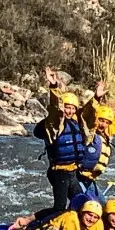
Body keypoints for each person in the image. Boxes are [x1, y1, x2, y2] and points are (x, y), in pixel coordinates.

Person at [34, 67, 86, 212]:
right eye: (67, 108)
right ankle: (32, 223)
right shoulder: (56, 124)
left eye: (72, 108)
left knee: (81, 204)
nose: (69, 111)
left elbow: (90, 116)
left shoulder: (75, 123)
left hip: (72, 173)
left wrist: (97, 98)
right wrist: (54, 87)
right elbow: (54, 108)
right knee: (59, 208)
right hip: (59, 173)